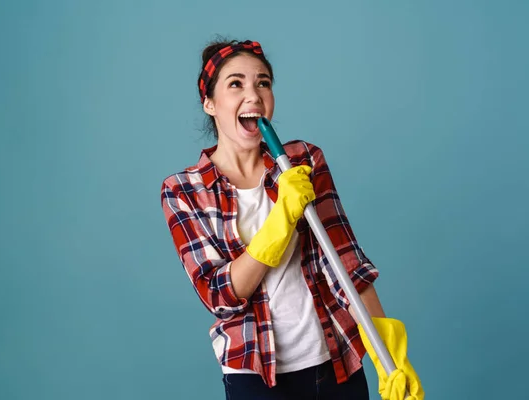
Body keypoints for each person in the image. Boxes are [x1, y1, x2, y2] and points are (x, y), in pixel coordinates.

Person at [160, 38, 424, 400]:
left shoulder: (303, 160)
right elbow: (220, 296)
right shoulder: (184, 190)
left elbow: (346, 261)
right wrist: (280, 219)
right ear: (210, 103)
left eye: (263, 83)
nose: (253, 95)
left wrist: (387, 351)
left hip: (337, 361)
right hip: (256, 376)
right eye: (235, 83)